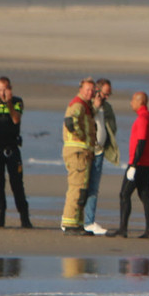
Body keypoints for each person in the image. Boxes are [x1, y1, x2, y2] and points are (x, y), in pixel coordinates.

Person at [0, 76, 32, 228]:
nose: (2, 92)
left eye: (4, 89)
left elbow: (16, 119)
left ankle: (24, 217)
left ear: (10, 89)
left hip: (12, 148)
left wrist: (9, 102)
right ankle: (0, 216)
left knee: (17, 183)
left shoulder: (17, 102)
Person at [117, 90, 149, 238]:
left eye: (133, 100)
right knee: (144, 194)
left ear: (140, 102)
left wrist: (133, 165)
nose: (130, 103)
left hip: (139, 163)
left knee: (124, 194)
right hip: (148, 162)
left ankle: (123, 229)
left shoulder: (142, 119)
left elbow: (141, 142)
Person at [82, 78, 120, 235]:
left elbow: (112, 127)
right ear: (97, 91)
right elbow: (84, 122)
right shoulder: (87, 104)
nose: (107, 97)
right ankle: (74, 219)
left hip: (99, 152)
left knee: (94, 187)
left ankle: (89, 221)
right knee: (80, 185)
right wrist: (96, 108)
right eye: (105, 94)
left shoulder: (107, 107)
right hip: (86, 151)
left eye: (109, 94)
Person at [60, 77, 96, 235]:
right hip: (77, 152)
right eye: (87, 89)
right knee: (77, 188)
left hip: (84, 152)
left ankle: (78, 223)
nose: (90, 93)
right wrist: (80, 135)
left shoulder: (87, 106)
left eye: (92, 90)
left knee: (82, 189)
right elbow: (70, 121)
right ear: (81, 89)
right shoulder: (78, 104)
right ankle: (69, 224)